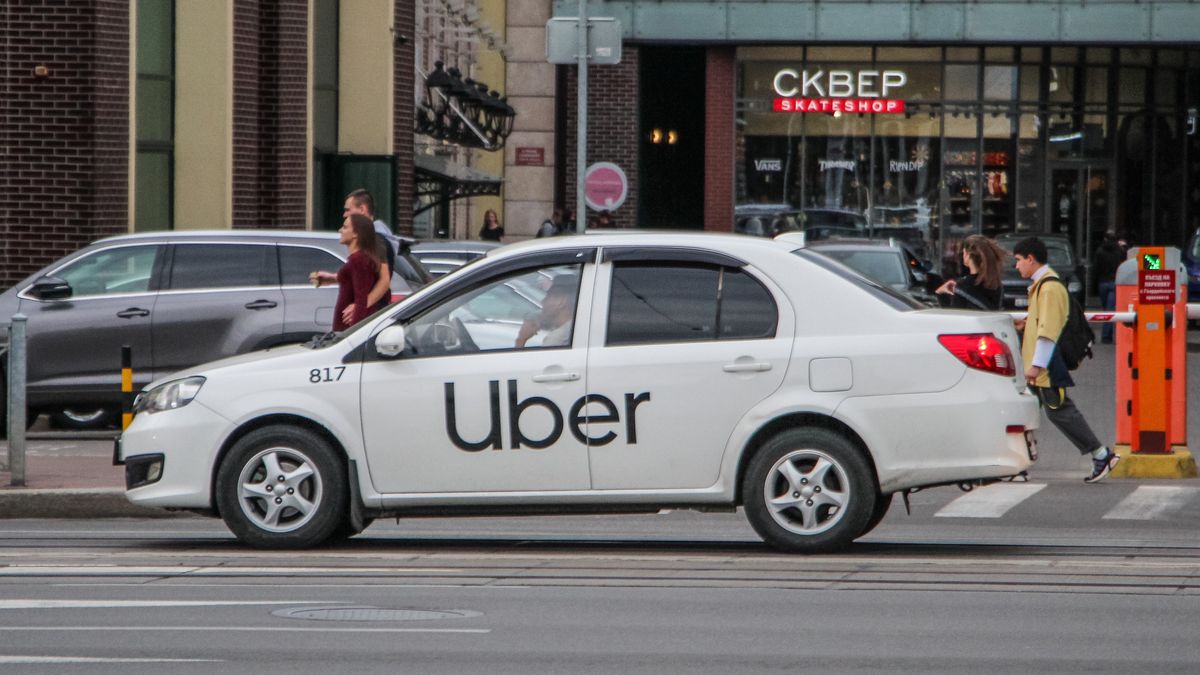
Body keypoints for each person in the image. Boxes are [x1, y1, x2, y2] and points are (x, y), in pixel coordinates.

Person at [1013, 236, 1119, 483]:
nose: (1016, 266)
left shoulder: (1049, 288)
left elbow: (1048, 333)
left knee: (1059, 412)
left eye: (1018, 260)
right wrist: (1025, 325)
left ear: (1030, 259)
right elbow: (1042, 324)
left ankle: (1101, 454)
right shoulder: (1043, 286)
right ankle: (1016, 465)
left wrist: (1035, 367)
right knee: (1026, 414)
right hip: (1038, 366)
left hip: (1044, 367)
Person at [310, 213, 385, 331]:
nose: (340, 230)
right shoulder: (359, 259)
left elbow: (361, 299)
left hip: (348, 331)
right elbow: (353, 280)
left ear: (356, 233)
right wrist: (333, 277)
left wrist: (353, 334)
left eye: (345, 227)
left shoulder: (358, 260)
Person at [343, 189, 394, 319]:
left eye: (348, 210)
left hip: (371, 315)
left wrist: (361, 306)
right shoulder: (370, 239)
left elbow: (384, 280)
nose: (345, 214)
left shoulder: (375, 240)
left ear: (362, 209)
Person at [935, 234, 1006, 310]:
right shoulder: (996, 284)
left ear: (967, 255)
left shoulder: (963, 285)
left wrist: (940, 293)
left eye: (963, 253)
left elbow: (955, 317)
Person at [515, 275, 577, 348]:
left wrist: (521, 340)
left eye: (548, 297)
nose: (543, 301)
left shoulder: (557, 339)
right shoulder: (574, 328)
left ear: (560, 301)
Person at [1093, 232, 1125, 344]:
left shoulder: (1100, 251)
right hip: (1114, 282)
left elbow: (1096, 268)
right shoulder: (1119, 251)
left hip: (1103, 282)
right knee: (1110, 309)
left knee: (1106, 309)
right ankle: (1107, 335)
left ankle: (1107, 335)